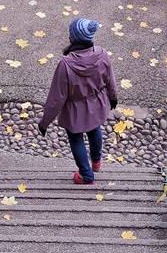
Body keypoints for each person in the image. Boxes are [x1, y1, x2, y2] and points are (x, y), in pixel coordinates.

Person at [38, 18, 118, 185]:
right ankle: (96, 162)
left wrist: (44, 123)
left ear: (73, 37)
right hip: (96, 105)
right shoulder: (102, 54)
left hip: (74, 111)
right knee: (95, 129)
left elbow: (56, 98)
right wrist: (113, 97)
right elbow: (110, 79)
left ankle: (86, 175)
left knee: (76, 139)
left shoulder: (65, 65)